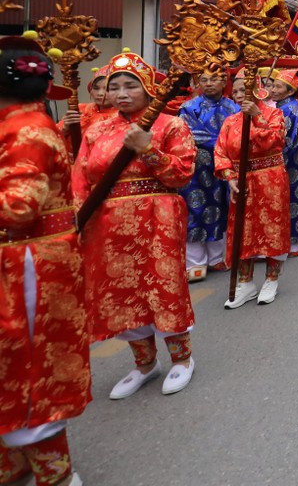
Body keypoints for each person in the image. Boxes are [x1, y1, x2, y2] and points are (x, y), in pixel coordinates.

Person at [73, 50, 198, 399]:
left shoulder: (170, 124)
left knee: (162, 285)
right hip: (109, 221)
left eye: (131, 85)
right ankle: (145, 362)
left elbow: (182, 174)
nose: (122, 93)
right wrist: (77, 214)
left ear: (148, 89)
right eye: (115, 87)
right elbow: (81, 176)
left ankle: (182, 358)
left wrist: (149, 150)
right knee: (122, 292)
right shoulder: (96, 129)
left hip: (157, 215)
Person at [0, 32, 89, 486]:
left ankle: (56, 473)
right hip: (21, 256)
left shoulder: (27, 129)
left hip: (28, 259)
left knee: (31, 360)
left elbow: (19, 208)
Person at [215, 72, 289, 308]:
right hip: (241, 181)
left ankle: (271, 278)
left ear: (258, 90)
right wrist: (229, 176)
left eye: (243, 90)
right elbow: (221, 152)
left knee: (271, 228)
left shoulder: (274, 114)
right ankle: (245, 281)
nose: (238, 96)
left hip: (270, 178)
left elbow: (276, 140)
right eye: (235, 91)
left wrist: (257, 118)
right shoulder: (230, 121)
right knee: (242, 229)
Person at [177, 70, 239, 281]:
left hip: (225, 167)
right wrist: (222, 142)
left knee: (222, 208)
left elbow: (238, 135)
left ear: (224, 81)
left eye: (214, 79)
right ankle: (195, 263)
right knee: (196, 210)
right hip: (198, 167)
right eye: (204, 80)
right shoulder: (188, 107)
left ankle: (216, 258)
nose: (209, 83)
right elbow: (190, 136)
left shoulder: (234, 108)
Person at [267, 69, 298, 256]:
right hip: (289, 160)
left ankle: (291, 242)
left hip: (287, 161)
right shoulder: (283, 106)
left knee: (289, 198)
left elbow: (288, 141)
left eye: (278, 86)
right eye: (273, 85)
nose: (273, 90)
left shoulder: (289, 109)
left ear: (290, 91)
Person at [59, 64, 113, 140]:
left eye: (107, 89)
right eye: (96, 88)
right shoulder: (80, 109)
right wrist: (65, 128)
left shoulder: (122, 115)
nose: (100, 93)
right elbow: (53, 138)